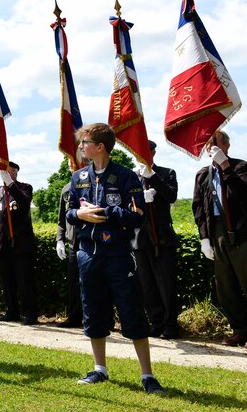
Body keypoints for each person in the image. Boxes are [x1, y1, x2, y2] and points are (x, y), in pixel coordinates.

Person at [67, 123, 164, 395]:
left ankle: (147, 375)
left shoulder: (125, 177)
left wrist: (106, 212)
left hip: (118, 256)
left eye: (84, 142)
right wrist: (80, 216)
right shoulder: (78, 178)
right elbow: (69, 213)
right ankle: (100, 369)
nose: (81, 147)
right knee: (93, 311)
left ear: (100, 146)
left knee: (132, 311)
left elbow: (137, 216)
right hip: (88, 255)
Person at [192, 130, 247, 349]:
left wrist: (225, 166)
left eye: (215, 145)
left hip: (243, 232)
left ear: (226, 146)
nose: (211, 149)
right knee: (225, 286)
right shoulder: (202, 174)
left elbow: (245, 197)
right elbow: (198, 207)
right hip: (217, 232)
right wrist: (204, 237)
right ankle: (239, 329)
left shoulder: (239, 166)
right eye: (208, 146)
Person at [134, 140, 180, 339]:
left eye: (146, 151)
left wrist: (153, 180)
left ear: (153, 152)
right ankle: (156, 322)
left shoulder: (166, 173)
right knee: (147, 285)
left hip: (161, 237)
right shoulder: (131, 177)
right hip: (140, 238)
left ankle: (171, 324)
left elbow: (171, 196)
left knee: (166, 284)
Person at [0, 161, 38, 325]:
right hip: (3, 243)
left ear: (15, 172)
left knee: (24, 280)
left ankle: (30, 313)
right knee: (7, 280)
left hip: (21, 242)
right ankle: (12, 311)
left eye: (9, 171)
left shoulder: (24, 188)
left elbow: (24, 202)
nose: (5, 174)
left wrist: (10, 184)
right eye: (3, 171)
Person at [55, 180, 82, 328]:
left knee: (98, 282)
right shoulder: (66, 189)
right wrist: (60, 239)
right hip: (73, 242)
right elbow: (61, 219)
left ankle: (105, 320)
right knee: (74, 283)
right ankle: (75, 318)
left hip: (91, 241)